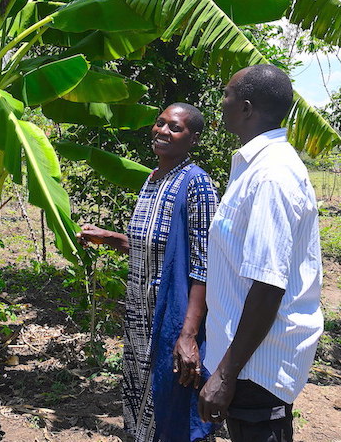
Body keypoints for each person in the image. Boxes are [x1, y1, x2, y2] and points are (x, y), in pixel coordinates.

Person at [198, 65, 323, 442]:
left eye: (227, 95)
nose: (221, 103)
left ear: (247, 108)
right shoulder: (253, 167)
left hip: (256, 365)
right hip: (244, 358)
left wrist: (225, 374)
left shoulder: (272, 175)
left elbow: (269, 285)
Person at [80, 103, 218, 442]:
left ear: (193, 138)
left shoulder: (196, 184)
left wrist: (188, 335)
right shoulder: (153, 179)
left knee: (172, 405)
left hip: (172, 315)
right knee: (142, 401)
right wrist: (110, 238)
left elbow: (204, 263)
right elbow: (155, 246)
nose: (162, 131)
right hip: (140, 315)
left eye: (175, 127)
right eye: (160, 123)